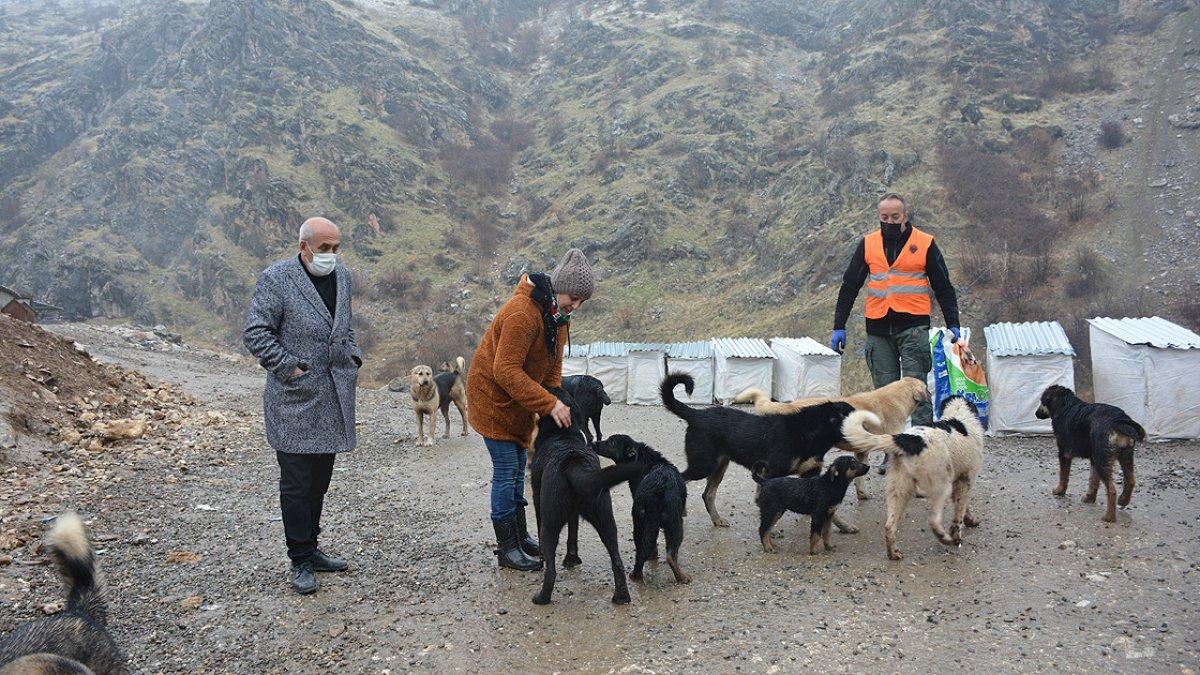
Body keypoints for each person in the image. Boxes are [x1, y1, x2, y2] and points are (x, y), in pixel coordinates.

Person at [243, 216, 363, 595]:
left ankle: (312, 548)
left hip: (332, 399)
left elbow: (344, 326)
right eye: (324, 248)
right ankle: (299, 559)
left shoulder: (342, 278)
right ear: (304, 246)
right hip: (293, 400)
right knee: (296, 484)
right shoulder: (276, 279)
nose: (330, 255)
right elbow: (255, 332)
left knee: (319, 482)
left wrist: (353, 356)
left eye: (336, 248)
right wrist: (288, 368)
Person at [467, 249, 594, 571]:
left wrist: (557, 396)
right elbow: (506, 370)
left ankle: (521, 537)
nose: (576, 307)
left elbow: (553, 367)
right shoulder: (522, 313)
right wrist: (549, 403)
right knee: (508, 473)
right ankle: (507, 547)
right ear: (557, 287)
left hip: (520, 401)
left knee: (516, 472)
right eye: (574, 298)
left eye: (583, 302)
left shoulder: (558, 317)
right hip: (493, 400)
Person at [831, 193, 960, 428]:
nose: (889, 221)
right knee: (883, 397)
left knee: (917, 391)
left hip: (913, 328)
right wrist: (839, 325)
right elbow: (850, 286)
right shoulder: (868, 244)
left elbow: (943, 287)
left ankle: (923, 447)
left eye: (895, 216)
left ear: (905, 216)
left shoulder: (925, 242)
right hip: (878, 329)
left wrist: (953, 322)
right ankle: (889, 452)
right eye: (884, 217)